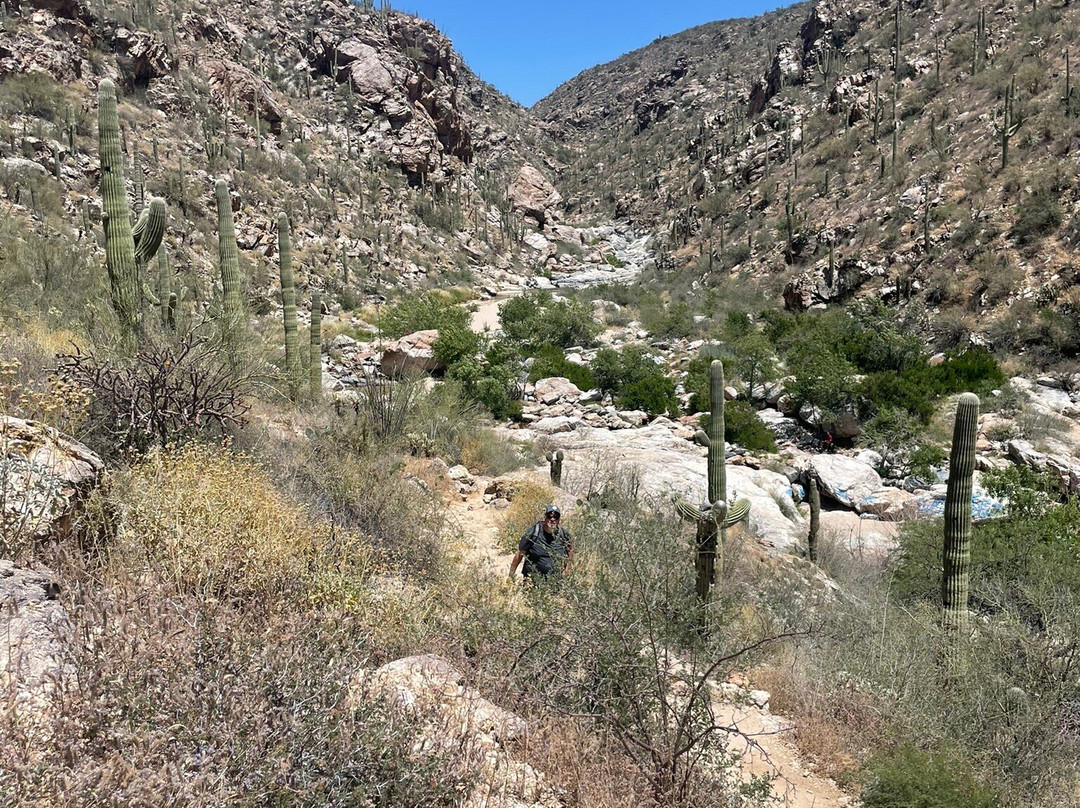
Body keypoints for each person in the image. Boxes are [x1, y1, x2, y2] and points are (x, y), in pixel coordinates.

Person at [508, 505, 573, 582]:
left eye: (556, 516)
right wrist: (511, 576)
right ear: (544, 518)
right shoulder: (533, 532)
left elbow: (571, 550)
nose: (552, 519)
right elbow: (519, 554)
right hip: (533, 581)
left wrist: (567, 570)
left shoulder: (564, 535)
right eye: (549, 516)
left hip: (555, 582)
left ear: (559, 520)